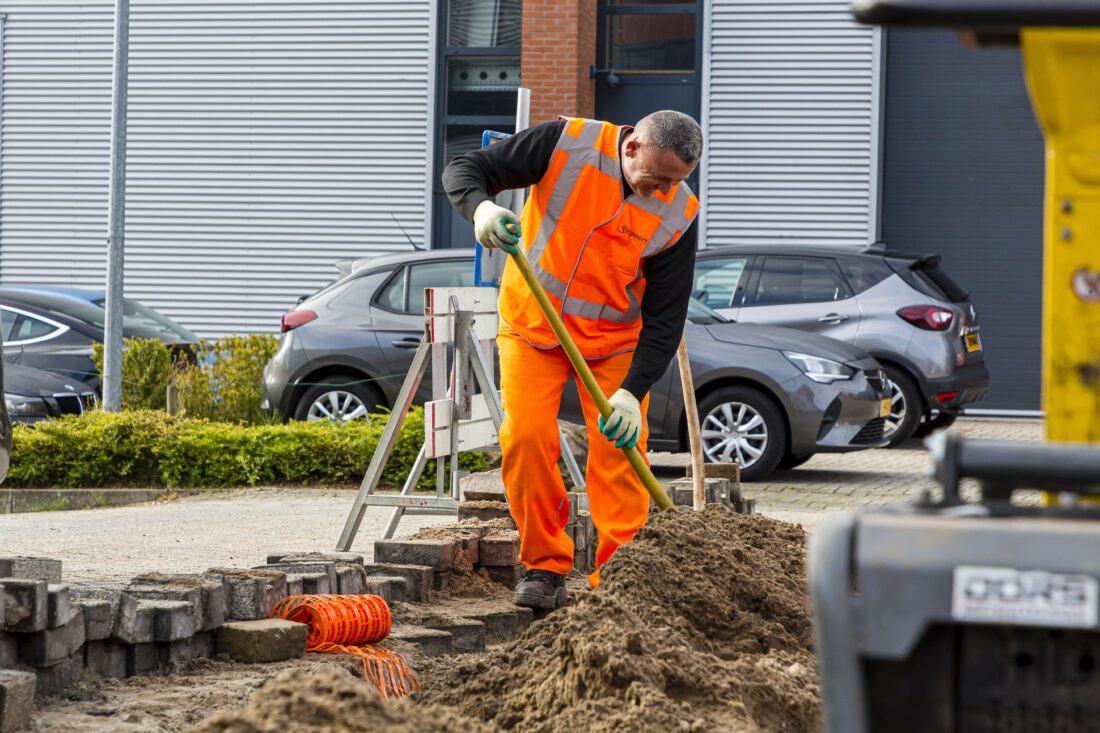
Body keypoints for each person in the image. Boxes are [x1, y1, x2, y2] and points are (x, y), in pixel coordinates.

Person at [443, 111, 702, 609]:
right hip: (532, 324)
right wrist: (481, 210)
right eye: (655, 179)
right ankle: (544, 568)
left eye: (675, 182)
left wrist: (632, 391)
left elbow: (666, 319)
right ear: (631, 149)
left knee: (619, 454)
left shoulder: (679, 213)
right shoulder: (567, 143)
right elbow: (464, 169)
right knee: (526, 438)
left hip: (613, 344)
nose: (661, 192)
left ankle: (619, 578)